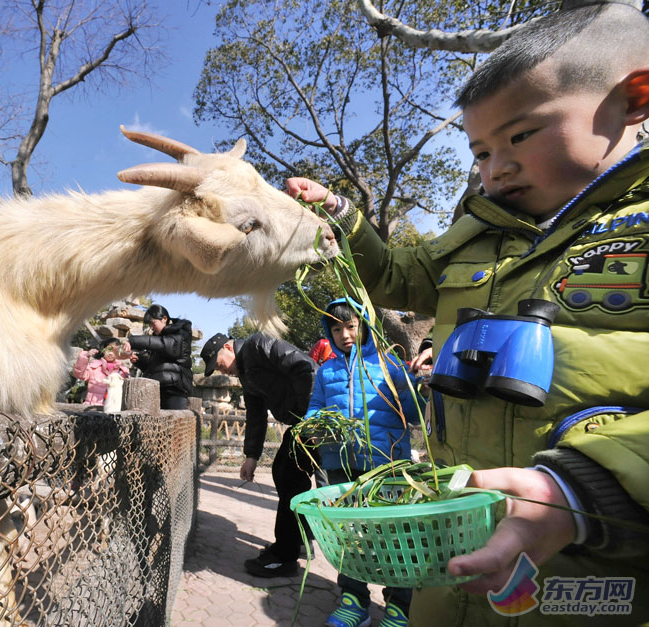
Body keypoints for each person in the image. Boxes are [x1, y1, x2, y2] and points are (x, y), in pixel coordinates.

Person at [284, 4, 649, 625]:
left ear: (635, 99)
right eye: (480, 151)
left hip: (587, 578)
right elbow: (399, 276)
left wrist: (577, 490)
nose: (495, 167)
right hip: (453, 549)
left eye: (520, 136)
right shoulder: (473, 233)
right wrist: (344, 217)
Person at [306, 298, 422, 627]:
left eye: (351, 326)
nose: (344, 334)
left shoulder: (389, 364)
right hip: (341, 462)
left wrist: (412, 386)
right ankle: (354, 600)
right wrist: (311, 425)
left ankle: (399, 604)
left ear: (365, 325)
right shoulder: (326, 370)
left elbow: (414, 413)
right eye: (336, 328)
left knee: (391, 533)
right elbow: (316, 406)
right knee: (348, 534)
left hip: (385, 463)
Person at [200, 331, 317, 577]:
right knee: (285, 476)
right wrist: (251, 456)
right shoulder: (247, 376)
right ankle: (294, 544)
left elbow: (306, 368)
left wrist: (310, 417)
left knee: (289, 477)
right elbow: (256, 416)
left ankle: (285, 558)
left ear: (228, 348)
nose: (222, 371)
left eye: (219, 364)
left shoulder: (259, 345)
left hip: (314, 418)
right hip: (301, 423)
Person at [125, 304, 194, 410]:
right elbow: (157, 367)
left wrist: (133, 341)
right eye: (149, 325)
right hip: (158, 389)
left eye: (153, 323)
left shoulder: (180, 334)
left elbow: (164, 344)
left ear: (164, 319)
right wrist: (140, 361)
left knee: (174, 424)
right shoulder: (159, 337)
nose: (151, 328)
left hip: (175, 390)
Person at [72, 337, 131, 406]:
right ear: (103, 351)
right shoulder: (94, 367)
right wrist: (85, 356)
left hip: (114, 409)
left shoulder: (123, 372)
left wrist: (128, 348)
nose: (110, 353)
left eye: (114, 351)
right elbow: (79, 374)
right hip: (93, 409)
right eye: (108, 350)